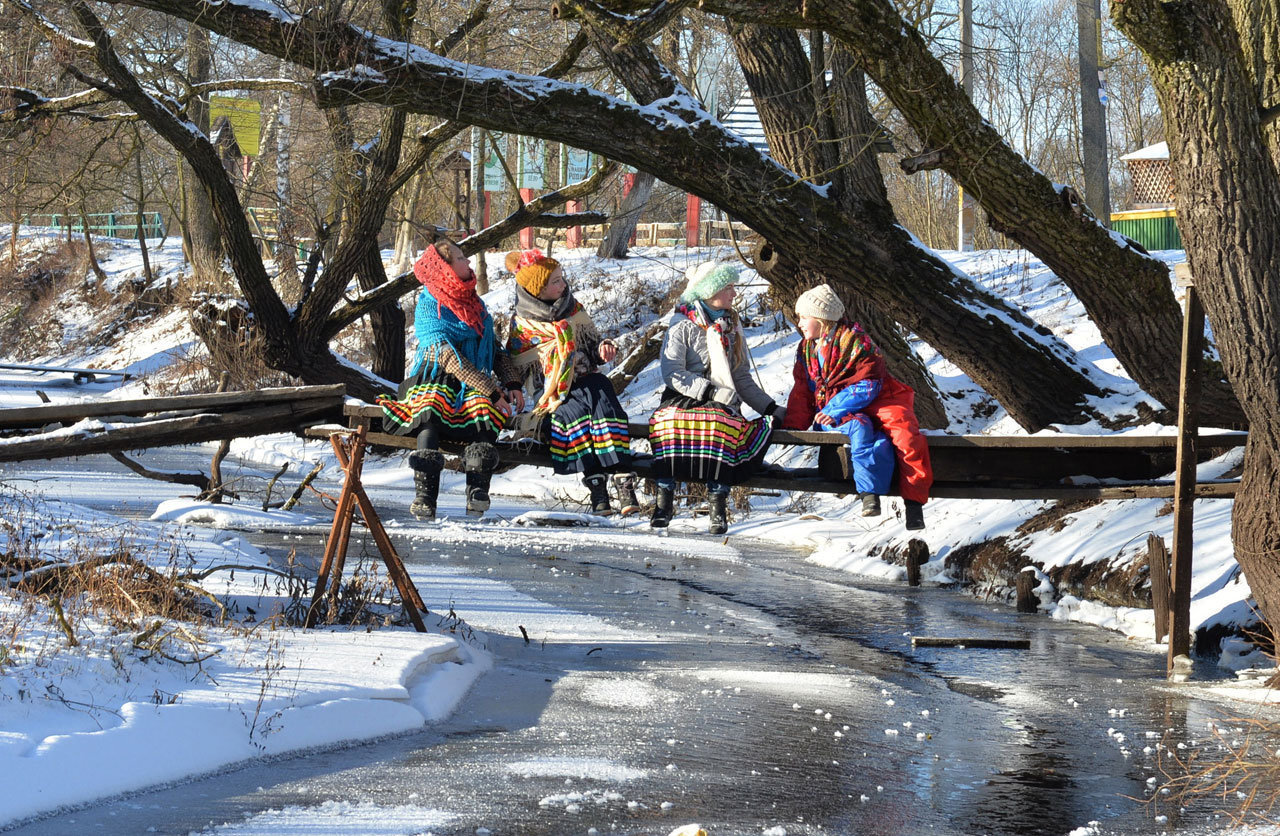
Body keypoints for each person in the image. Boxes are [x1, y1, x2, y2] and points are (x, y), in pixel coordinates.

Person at [377, 239, 524, 520]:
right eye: (460, 258)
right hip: (435, 375)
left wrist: (512, 383)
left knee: (484, 409)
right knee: (430, 406)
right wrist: (492, 390)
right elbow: (449, 358)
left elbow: (492, 348)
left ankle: (477, 490)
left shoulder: (475, 304)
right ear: (444, 268)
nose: (467, 262)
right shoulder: (429, 306)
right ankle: (425, 495)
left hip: (472, 383)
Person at [648, 261, 785, 535]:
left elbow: (741, 377)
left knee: (720, 421)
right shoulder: (681, 325)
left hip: (723, 400)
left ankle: (718, 503)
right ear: (710, 291)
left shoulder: (731, 327)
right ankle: (664, 500)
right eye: (728, 287)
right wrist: (708, 391)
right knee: (665, 421)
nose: (734, 293)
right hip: (683, 396)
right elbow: (672, 372)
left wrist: (769, 407)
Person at [781, 284, 932, 530]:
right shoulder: (807, 349)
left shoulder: (857, 343)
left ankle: (914, 502)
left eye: (803, 317)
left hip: (878, 398)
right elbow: (803, 390)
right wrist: (793, 426)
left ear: (821, 319)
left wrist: (833, 410)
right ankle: (870, 494)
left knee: (906, 436)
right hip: (840, 408)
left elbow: (869, 384)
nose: (799, 323)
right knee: (866, 432)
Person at [505, 249, 632, 514]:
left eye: (562, 278)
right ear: (538, 289)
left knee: (602, 397)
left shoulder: (573, 308)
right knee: (572, 414)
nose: (563, 284)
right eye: (555, 281)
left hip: (585, 378)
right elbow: (517, 366)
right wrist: (514, 388)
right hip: (551, 392)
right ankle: (597, 487)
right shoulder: (522, 326)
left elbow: (593, 345)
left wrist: (603, 349)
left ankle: (622, 477)